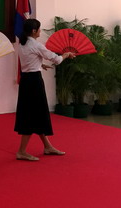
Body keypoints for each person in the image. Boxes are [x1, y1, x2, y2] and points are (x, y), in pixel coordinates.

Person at [15, 18, 74, 161]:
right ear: (34, 30)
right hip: (34, 82)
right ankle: (21, 151)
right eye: (39, 29)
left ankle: (47, 146)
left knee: (38, 113)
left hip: (26, 81)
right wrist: (66, 54)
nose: (40, 31)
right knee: (32, 114)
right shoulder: (36, 45)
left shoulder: (22, 44)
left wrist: (40, 65)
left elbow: (29, 61)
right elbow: (57, 60)